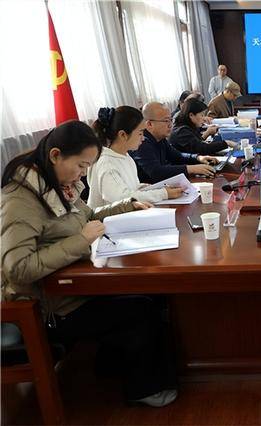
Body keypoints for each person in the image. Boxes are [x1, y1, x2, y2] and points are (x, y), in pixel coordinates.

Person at [1, 121, 178, 407]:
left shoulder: (58, 183)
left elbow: (88, 215)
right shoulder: (21, 199)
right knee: (141, 309)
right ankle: (142, 388)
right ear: (56, 155)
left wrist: (127, 205)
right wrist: (81, 240)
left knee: (153, 294)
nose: (83, 174)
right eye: (81, 166)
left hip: (72, 288)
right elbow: (18, 268)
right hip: (48, 308)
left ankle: (113, 365)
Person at [87, 106, 183, 208]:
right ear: (123, 135)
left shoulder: (125, 156)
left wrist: (152, 188)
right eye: (140, 133)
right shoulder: (107, 163)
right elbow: (122, 198)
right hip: (109, 217)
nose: (143, 138)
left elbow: (130, 188)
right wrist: (163, 193)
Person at [130, 102, 217, 184]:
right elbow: (156, 172)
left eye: (171, 120)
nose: (170, 125)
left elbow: (177, 156)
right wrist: (191, 169)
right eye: (166, 121)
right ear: (149, 124)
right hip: (150, 190)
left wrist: (198, 158)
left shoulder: (160, 138)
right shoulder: (141, 142)